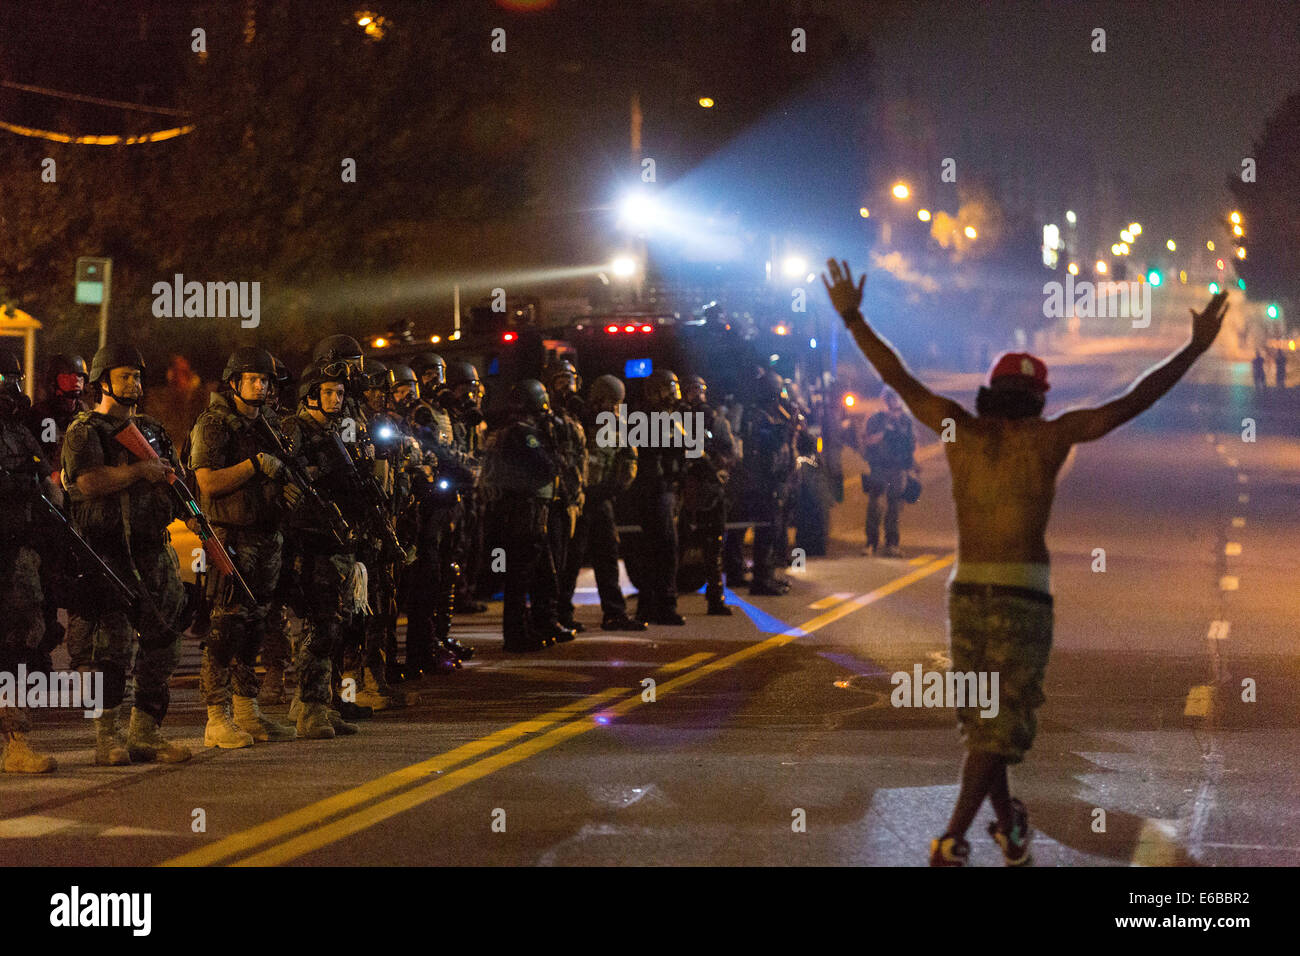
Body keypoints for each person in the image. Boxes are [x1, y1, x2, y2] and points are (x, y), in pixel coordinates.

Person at [822, 258, 1229, 867]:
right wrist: (1192, 350)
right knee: (999, 722)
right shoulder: (1051, 438)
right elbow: (1133, 401)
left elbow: (900, 379)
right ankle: (953, 839)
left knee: (987, 718)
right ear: (1039, 397)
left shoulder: (956, 429)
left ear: (990, 390)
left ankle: (1008, 827)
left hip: (968, 595)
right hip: (1022, 597)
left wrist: (854, 318)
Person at [62, 345, 193, 765]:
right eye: (125, 376)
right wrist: (140, 471)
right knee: (111, 650)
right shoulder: (85, 431)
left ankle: (146, 732)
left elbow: (175, 482)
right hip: (108, 555)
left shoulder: (151, 429)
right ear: (103, 382)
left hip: (153, 552)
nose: (135, 383)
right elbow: (88, 482)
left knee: (165, 642)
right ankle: (107, 737)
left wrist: (183, 501)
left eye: (138, 376)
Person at [189, 347, 299, 748]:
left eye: (265, 380)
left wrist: (284, 488)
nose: (261, 385)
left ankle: (246, 712)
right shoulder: (214, 424)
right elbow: (208, 483)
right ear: (234, 382)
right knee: (225, 628)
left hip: (266, 537)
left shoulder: (267, 424)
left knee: (255, 627)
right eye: (253, 378)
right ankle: (216, 718)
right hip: (230, 538)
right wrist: (255, 466)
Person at [0, 349, 59, 772]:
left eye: (13, 379)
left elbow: (45, 481)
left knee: (21, 637)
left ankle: (16, 740)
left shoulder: (19, 431)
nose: (9, 387)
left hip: (17, 548)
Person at [559, 374, 645, 631]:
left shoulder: (618, 426)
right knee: (571, 558)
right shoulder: (579, 421)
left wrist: (616, 486)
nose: (613, 407)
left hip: (602, 499)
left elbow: (628, 459)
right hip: (580, 499)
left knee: (607, 556)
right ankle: (561, 612)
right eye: (609, 401)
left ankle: (614, 613)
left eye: (617, 403)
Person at [680, 373, 736, 615]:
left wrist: (716, 466)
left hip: (708, 490)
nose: (695, 395)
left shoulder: (716, 420)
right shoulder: (674, 419)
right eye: (691, 390)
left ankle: (715, 598)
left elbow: (729, 454)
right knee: (675, 546)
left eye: (697, 390)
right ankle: (661, 601)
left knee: (713, 548)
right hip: (683, 489)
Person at [861, 386, 918, 558]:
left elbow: (912, 443)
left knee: (894, 507)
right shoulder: (876, 419)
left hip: (898, 467)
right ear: (885, 401)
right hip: (879, 466)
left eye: (896, 399)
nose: (893, 403)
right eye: (890, 399)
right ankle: (871, 542)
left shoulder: (905, 421)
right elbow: (867, 441)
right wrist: (885, 431)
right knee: (875, 505)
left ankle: (892, 543)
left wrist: (912, 465)